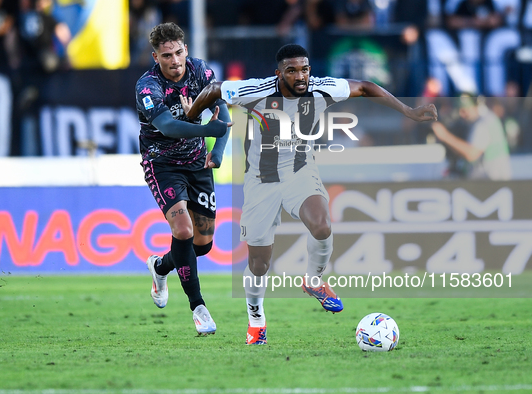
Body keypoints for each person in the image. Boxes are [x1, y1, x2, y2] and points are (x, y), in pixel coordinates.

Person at [185, 44, 437, 345]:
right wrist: (191, 116)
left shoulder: (321, 89)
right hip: (260, 180)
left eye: (304, 68)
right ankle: (257, 320)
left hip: (299, 170)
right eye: (292, 70)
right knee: (259, 264)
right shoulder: (256, 90)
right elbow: (214, 89)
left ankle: (314, 281)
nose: (301, 75)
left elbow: (367, 87)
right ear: (279, 74)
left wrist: (408, 111)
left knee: (322, 225)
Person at [135, 22, 232, 335]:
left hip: (197, 163)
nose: (174, 60)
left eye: (178, 52)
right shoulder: (147, 87)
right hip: (161, 164)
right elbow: (167, 127)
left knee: (201, 245)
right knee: (183, 229)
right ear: (156, 57)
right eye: (166, 55)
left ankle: (160, 266)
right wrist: (207, 130)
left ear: (186, 50)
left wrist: (218, 151)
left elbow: (221, 110)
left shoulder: (200, 71)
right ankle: (199, 308)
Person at [431, 95, 512, 180]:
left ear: (475, 105)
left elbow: (472, 154)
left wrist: (445, 135)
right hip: (494, 182)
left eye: (465, 110)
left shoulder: (483, 122)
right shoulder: (485, 119)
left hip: (492, 183)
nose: (462, 115)